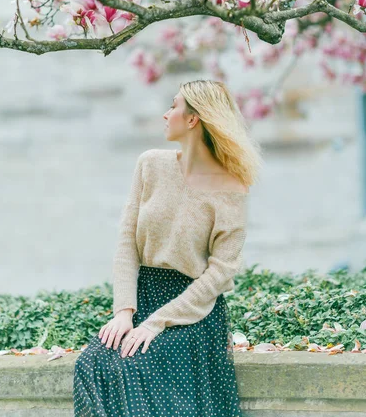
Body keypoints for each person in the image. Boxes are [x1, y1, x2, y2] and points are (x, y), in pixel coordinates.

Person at [73, 79, 263, 416]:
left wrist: (156, 323)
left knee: (132, 365)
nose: (165, 114)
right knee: (91, 363)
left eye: (173, 106)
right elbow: (126, 243)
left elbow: (221, 272)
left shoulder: (232, 188)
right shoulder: (150, 164)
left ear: (193, 119)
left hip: (192, 312)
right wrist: (124, 312)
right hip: (142, 299)